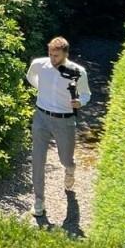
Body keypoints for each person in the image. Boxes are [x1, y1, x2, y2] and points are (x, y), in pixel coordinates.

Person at [26, 37, 91, 218]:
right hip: (41, 117)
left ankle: (69, 169)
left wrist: (80, 102)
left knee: (65, 158)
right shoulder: (40, 64)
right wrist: (42, 88)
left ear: (66, 54)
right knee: (38, 159)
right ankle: (39, 201)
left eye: (56, 56)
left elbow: (86, 94)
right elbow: (30, 75)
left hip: (65, 120)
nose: (53, 59)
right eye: (50, 54)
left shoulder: (78, 72)